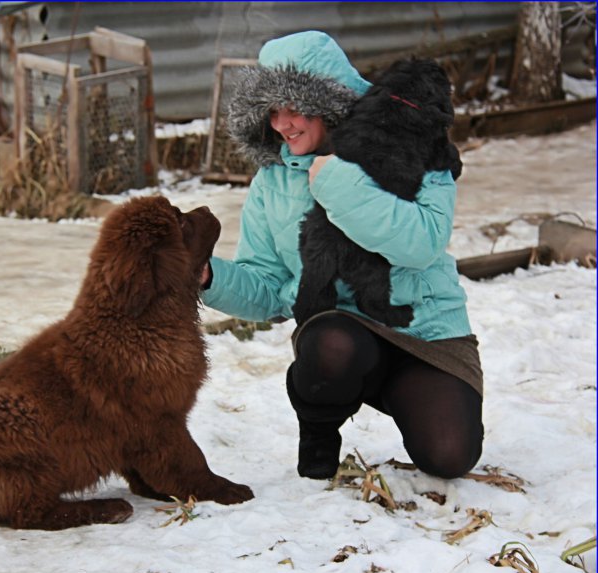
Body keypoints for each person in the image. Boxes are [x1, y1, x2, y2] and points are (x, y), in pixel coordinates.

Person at [200, 31, 484, 480]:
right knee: (332, 340)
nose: (281, 124)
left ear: (328, 102)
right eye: (271, 111)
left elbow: (422, 244)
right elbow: (270, 287)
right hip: (340, 336)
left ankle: (406, 392)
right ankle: (318, 425)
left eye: (293, 107)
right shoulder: (272, 181)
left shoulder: (415, 144)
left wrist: (335, 183)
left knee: (449, 456)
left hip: (425, 330)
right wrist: (205, 277)